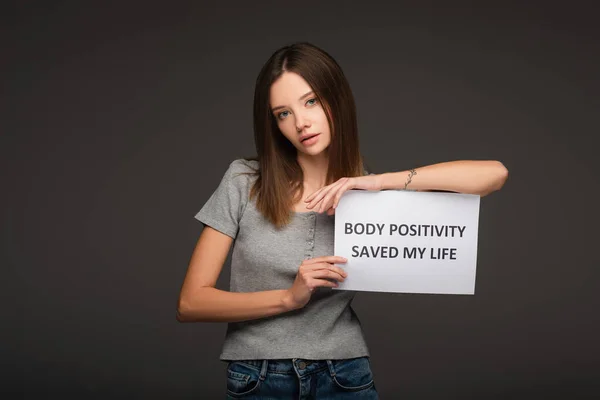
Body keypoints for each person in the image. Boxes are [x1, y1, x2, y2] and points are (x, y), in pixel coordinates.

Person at [176, 42, 508, 399]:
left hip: (343, 374)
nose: (301, 122)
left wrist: (379, 182)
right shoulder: (244, 181)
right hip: (258, 376)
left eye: (311, 101)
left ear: (336, 99)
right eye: (283, 113)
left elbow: (493, 175)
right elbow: (191, 303)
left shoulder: (366, 198)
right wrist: (289, 298)